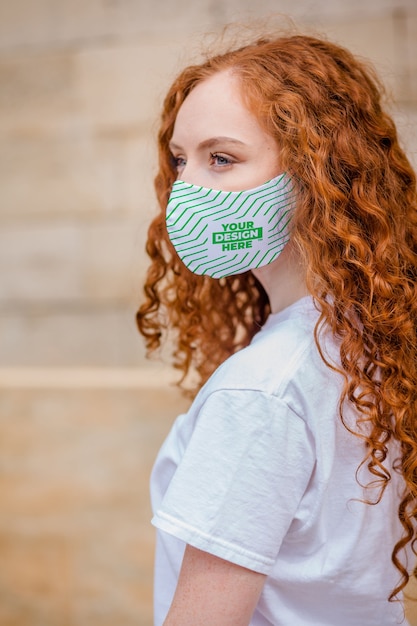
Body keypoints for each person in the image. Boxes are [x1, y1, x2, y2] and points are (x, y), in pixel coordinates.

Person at [136, 30, 417, 626]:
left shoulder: (261, 391)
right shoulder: (374, 346)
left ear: (316, 175)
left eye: (223, 158)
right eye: (180, 160)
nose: (186, 190)